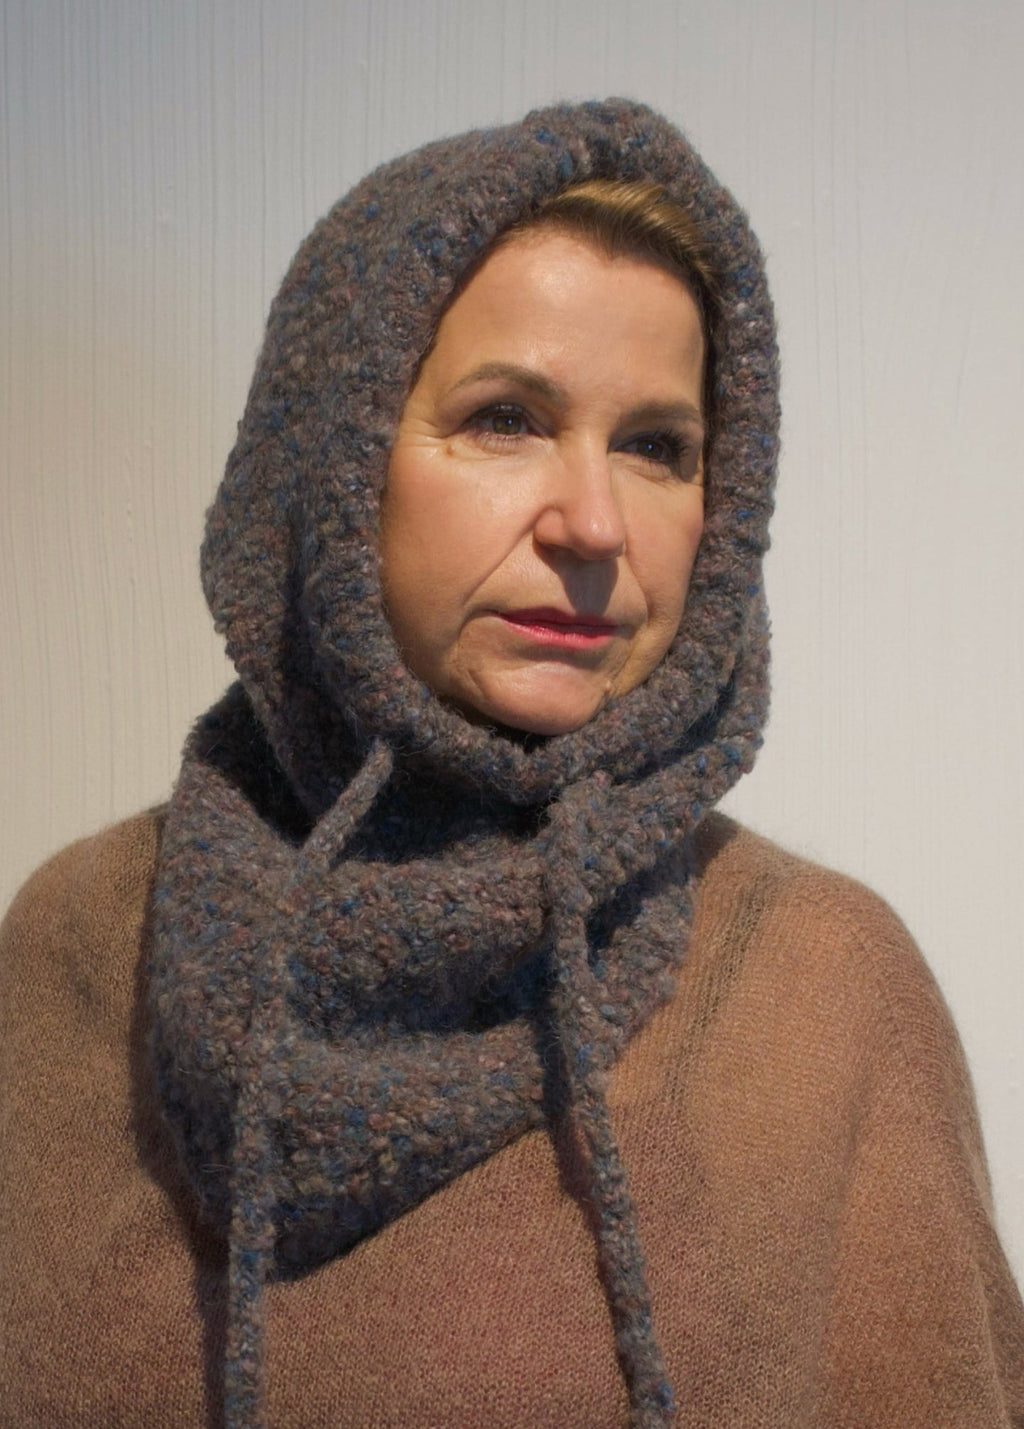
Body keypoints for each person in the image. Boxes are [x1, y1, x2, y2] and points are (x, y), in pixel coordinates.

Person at [1, 99, 1022, 1429]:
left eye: (657, 448)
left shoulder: (823, 990)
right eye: (505, 419)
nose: (594, 523)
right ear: (329, 464)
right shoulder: (82, 940)